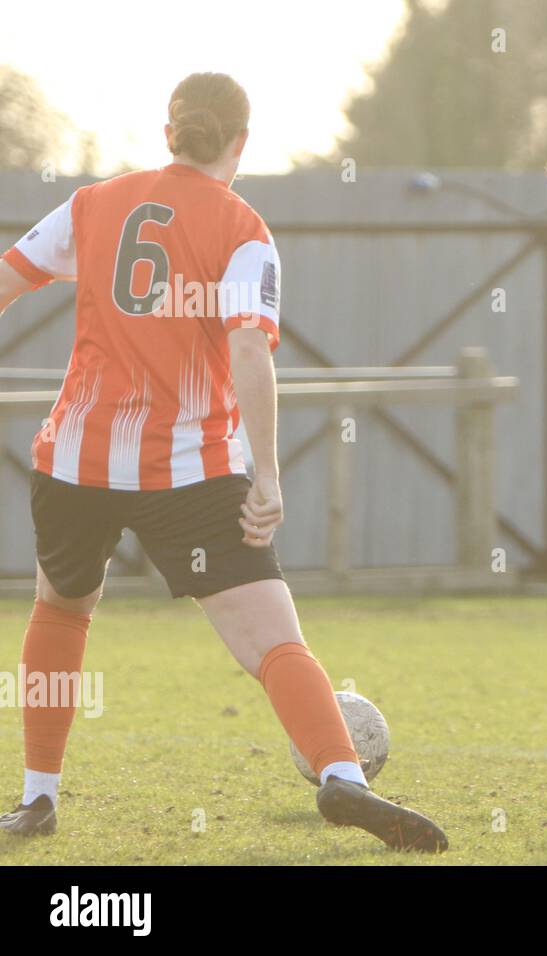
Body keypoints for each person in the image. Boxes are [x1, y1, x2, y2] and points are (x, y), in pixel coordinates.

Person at [0, 73, 446, 852]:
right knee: (274, 644)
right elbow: (247, 344)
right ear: (240, 141)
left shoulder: (94, 204)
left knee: (62, 610)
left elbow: (7, 279)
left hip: (77, 462)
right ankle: (343, 778)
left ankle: (37, 798)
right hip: (191, 470)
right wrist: (267, 473)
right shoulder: (241, 226)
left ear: (168, 129)